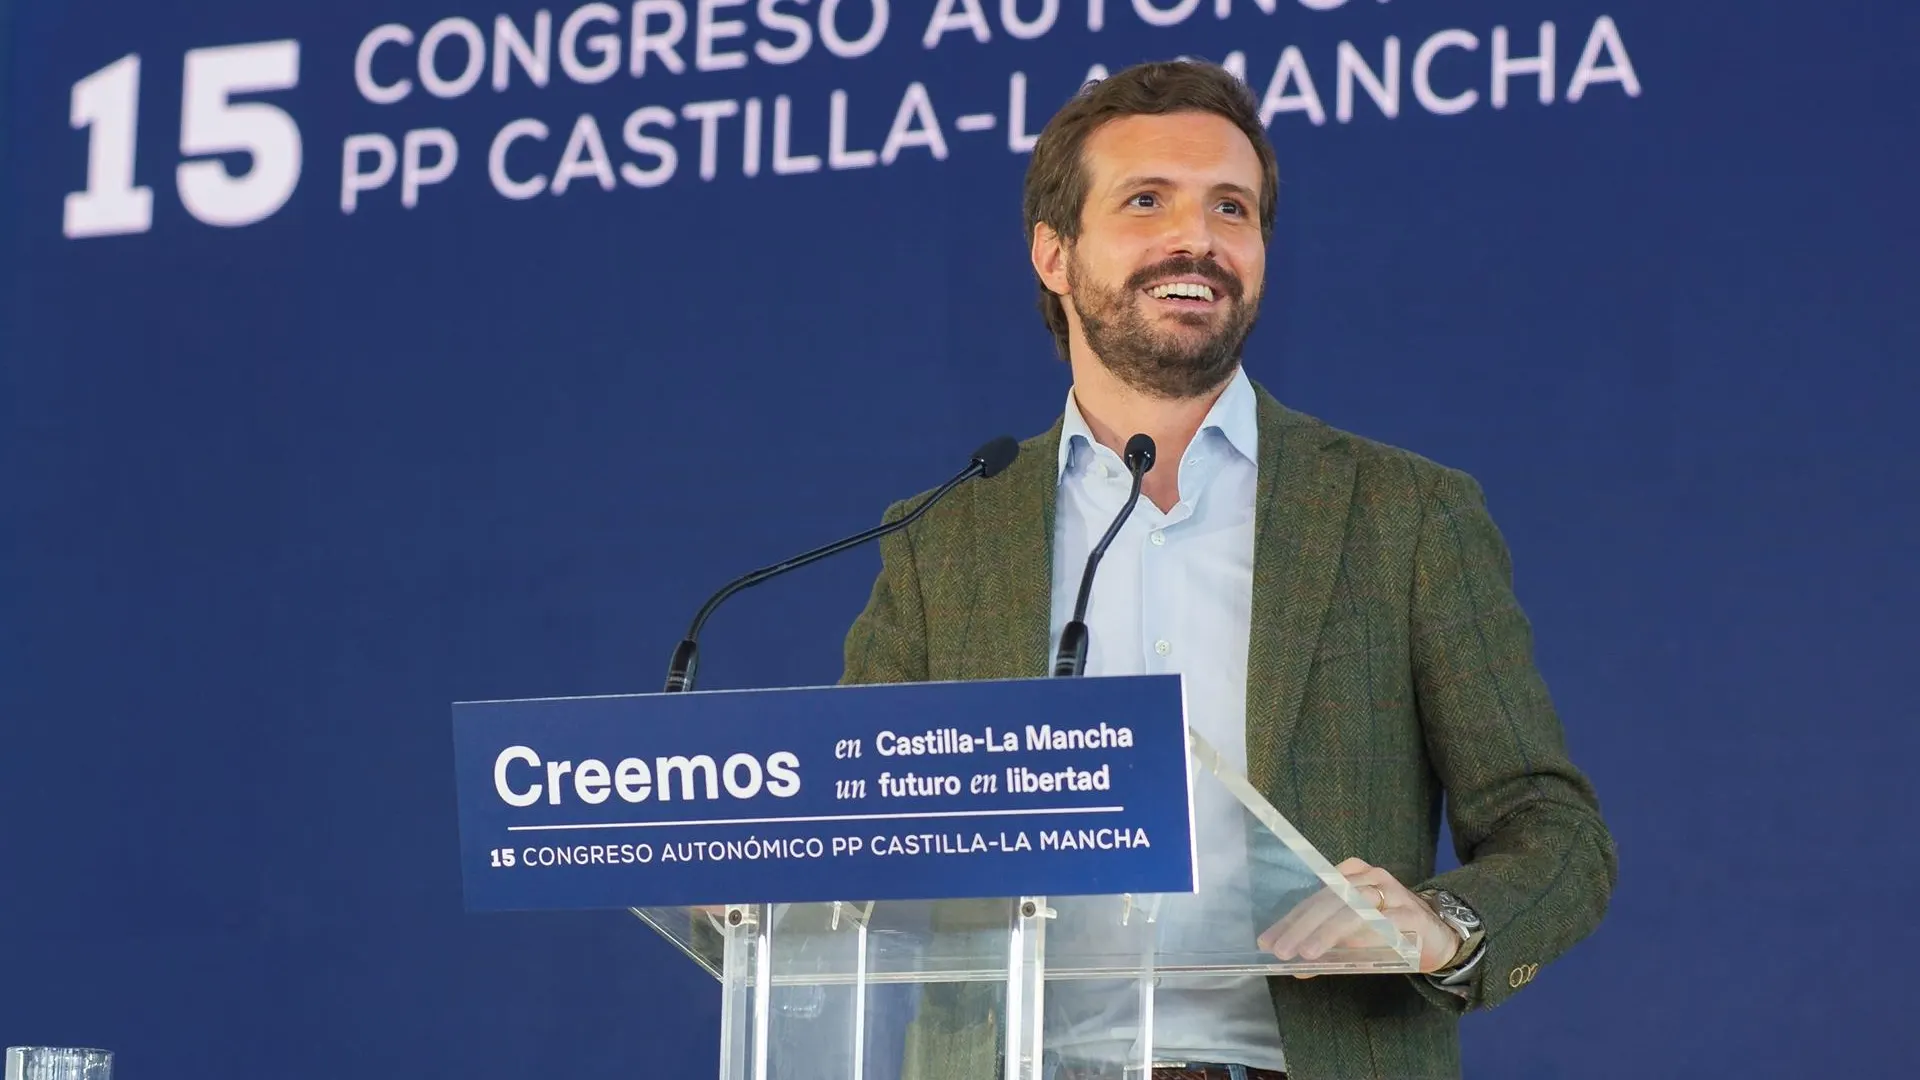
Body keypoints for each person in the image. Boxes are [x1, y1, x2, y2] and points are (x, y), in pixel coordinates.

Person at [839, 59, 1616, 1080]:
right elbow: (849, 824)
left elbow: (1553, 831)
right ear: (1054, 254)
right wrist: (755, 871)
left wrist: (1441, 921)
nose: (1195, 238)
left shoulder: (1405, 514)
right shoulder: (945, 537)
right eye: (1146, 200)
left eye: (1231, 208)